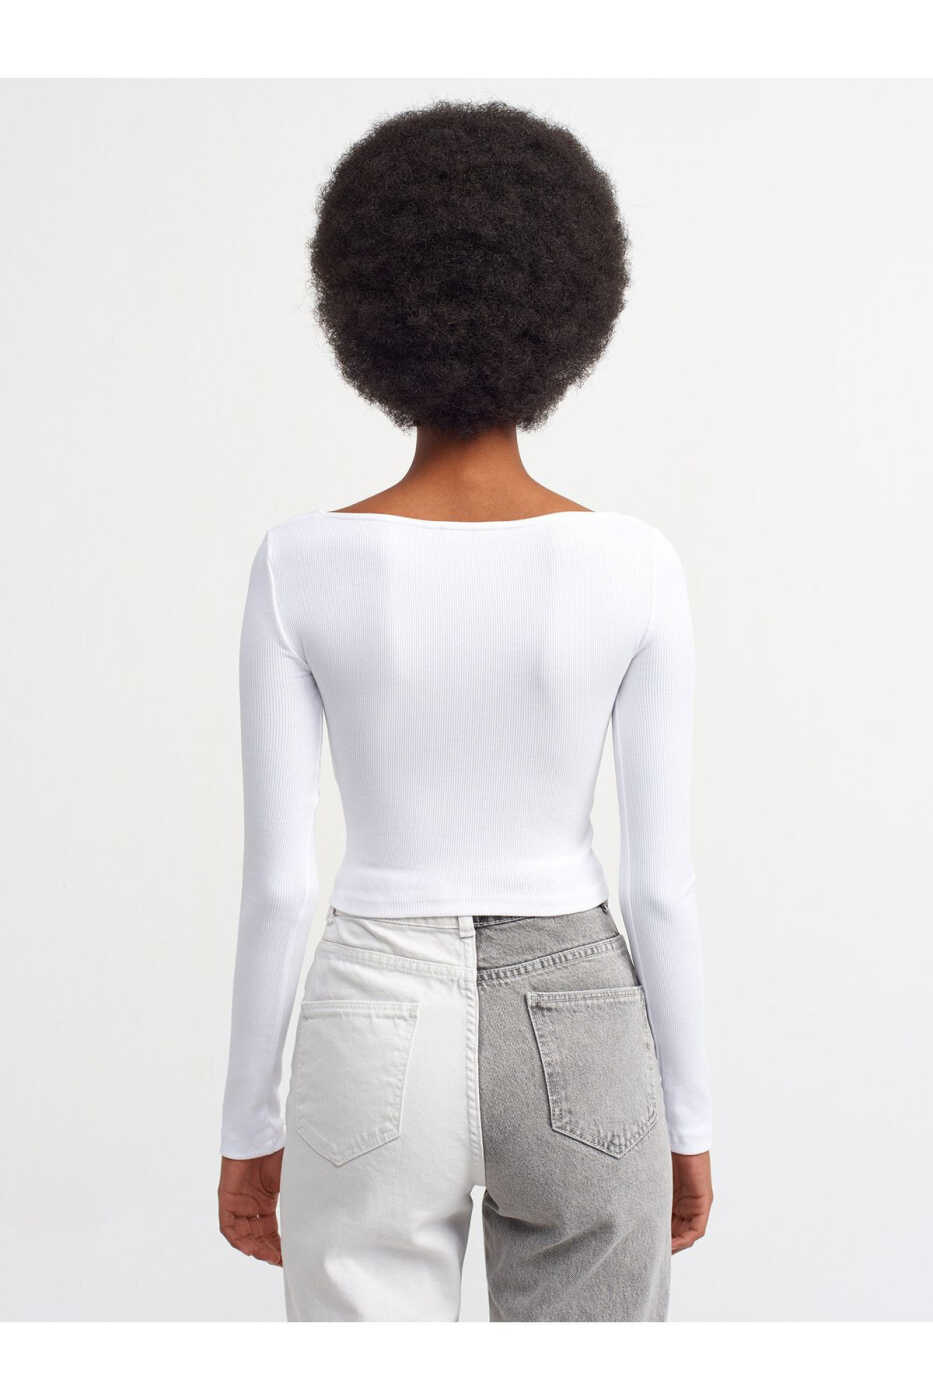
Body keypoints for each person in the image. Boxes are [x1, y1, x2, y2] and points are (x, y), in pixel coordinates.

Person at [217, 99, 713, 1322]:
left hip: (370, 1008)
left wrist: (247, 1123)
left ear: (364, 307)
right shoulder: (636, 564)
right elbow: (660, 886)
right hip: (583, 1010)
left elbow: (279, 884)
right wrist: (688, 1115)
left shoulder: (298, 564)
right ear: (572, 308)